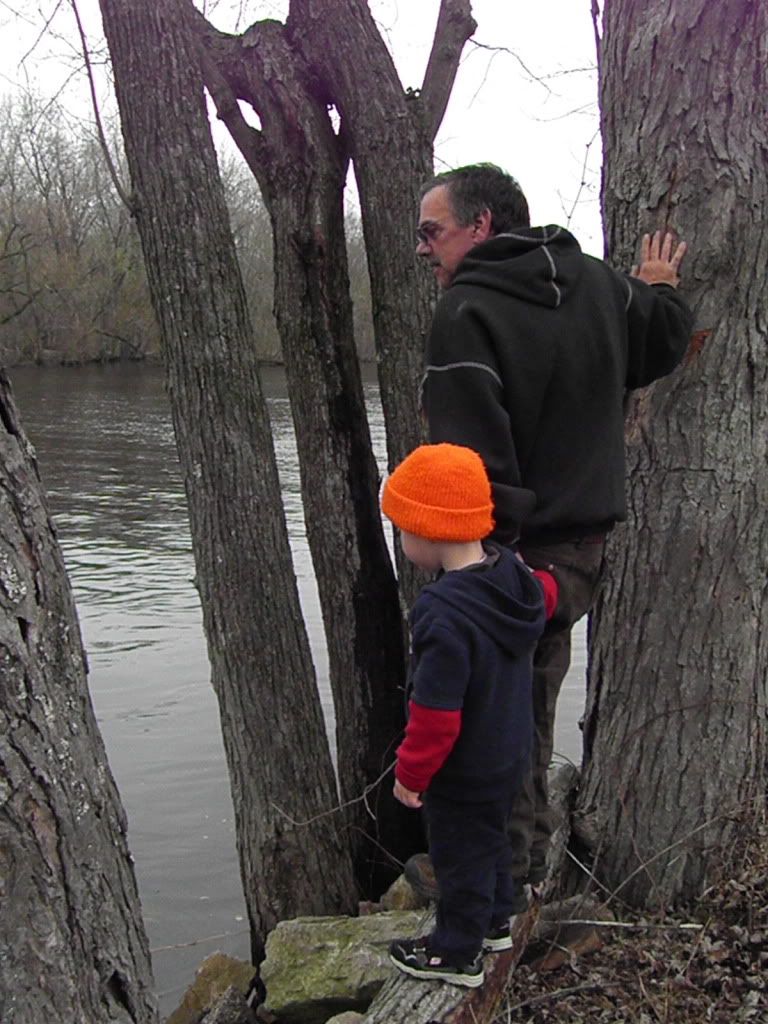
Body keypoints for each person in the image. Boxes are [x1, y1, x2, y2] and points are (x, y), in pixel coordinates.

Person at [411, 163, 694, 894]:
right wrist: (659, 286)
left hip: (501, 551)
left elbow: (468, 461)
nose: (423, 249)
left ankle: (497, 888)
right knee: (527, 704)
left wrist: (474, 570)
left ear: (480, 227)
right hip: (577, 557)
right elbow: (661, 340)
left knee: (493, 716)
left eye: (431, 232)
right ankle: (521, 871)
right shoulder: (597, 283)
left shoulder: (466, 311)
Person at [381, 442, 557, 988]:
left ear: (431, 531)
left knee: (458, 856)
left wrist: (411, 776)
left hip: (463, 766)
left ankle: (456, 953)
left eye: (404, 529)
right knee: (495, 838)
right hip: (510, 751)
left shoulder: (442, 613)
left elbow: (435, 713)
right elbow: (548, 595)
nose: (403, 540)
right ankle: (497, 921)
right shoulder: (513, 578)